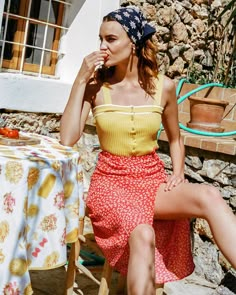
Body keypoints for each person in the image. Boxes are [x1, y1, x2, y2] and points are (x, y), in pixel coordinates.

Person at [60, 6, 236, 295]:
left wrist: (178, 172)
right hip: (110, 185)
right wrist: (80, 79)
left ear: (134, 42)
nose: (102, 46)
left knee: (209, 194)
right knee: (142, 233)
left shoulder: (163, 87)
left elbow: (176, 140)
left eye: (111, 39)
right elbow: (68, 137)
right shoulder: (96, 86)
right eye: (100, 39)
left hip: (151, 180)